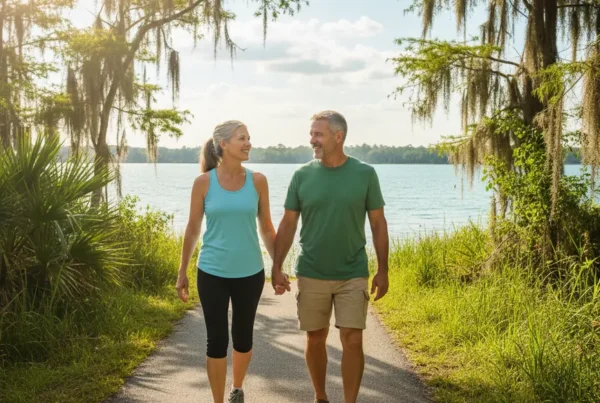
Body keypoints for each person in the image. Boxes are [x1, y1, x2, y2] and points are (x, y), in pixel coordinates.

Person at [271, 111, 390, 403]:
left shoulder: (365, 174)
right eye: (312, 133)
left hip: (353, 272)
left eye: (318, 134)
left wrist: (383, 269)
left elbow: (378, 222)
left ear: (339, 136)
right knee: (315, 337)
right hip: (312, 271)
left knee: (352, 339)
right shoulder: (302, 175)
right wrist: (276, 266)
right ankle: (320, 396)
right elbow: (288, 223)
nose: (312, 139)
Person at [176, 120, 278, 403]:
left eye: (249, 137)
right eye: (241, 138)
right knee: (217, 340)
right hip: (211, 272)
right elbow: (193, 229)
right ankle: (218, 400)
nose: (248, 143)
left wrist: (278, 266)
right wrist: (181, 272)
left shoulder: (258, 181)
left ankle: (237, 388)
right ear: (223, 144)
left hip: (250, 273)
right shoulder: (203, 183)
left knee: (243, 337)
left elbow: (267, 228)